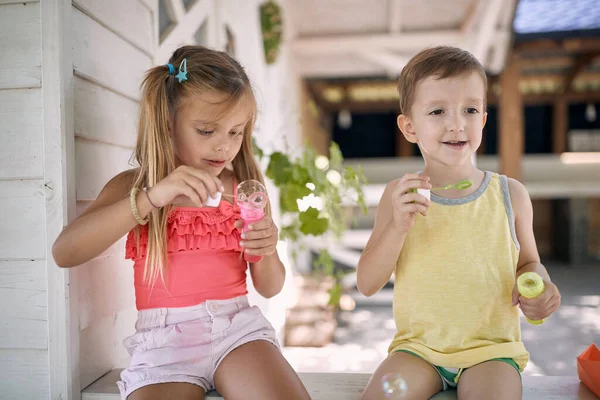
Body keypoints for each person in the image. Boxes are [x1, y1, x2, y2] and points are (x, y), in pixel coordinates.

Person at [52, 45, 310, 400]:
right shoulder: (136, 188)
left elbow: (270, 287)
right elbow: (65, 251)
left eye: (236, 132)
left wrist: (265, 248)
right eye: (207, 131)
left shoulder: (242, 187)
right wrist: (153, 197)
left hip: (238, 332)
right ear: (168, 124)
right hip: (163, 343)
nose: (224, 147)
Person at [357, 46, 561, 400]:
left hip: (491, 351)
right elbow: (367, 283)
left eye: (470, 109)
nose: (457, 123)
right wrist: (398, 228)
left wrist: (540, 286)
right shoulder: (399, 196)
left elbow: (529, 263)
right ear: (409, 127)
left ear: (483, 118)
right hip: (418, 351)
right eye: (437, 111)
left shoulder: (510, 194)